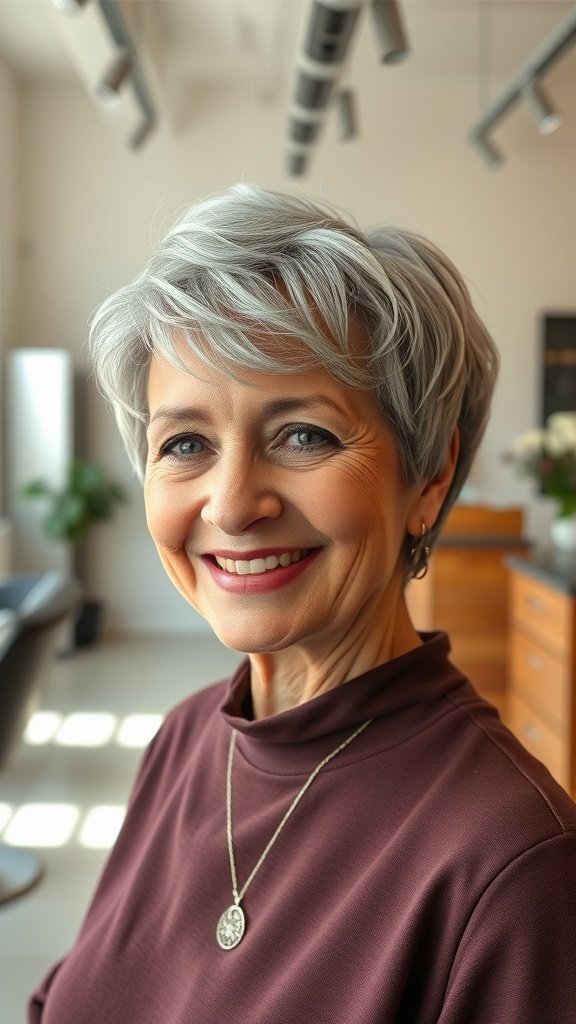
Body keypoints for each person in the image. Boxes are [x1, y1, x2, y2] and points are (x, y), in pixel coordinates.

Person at [30, 184, 576, 1023]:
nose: (232, 502)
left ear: (427, 478)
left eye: (304, 435)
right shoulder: (183, 740)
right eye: (185, 443)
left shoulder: (514, 865)